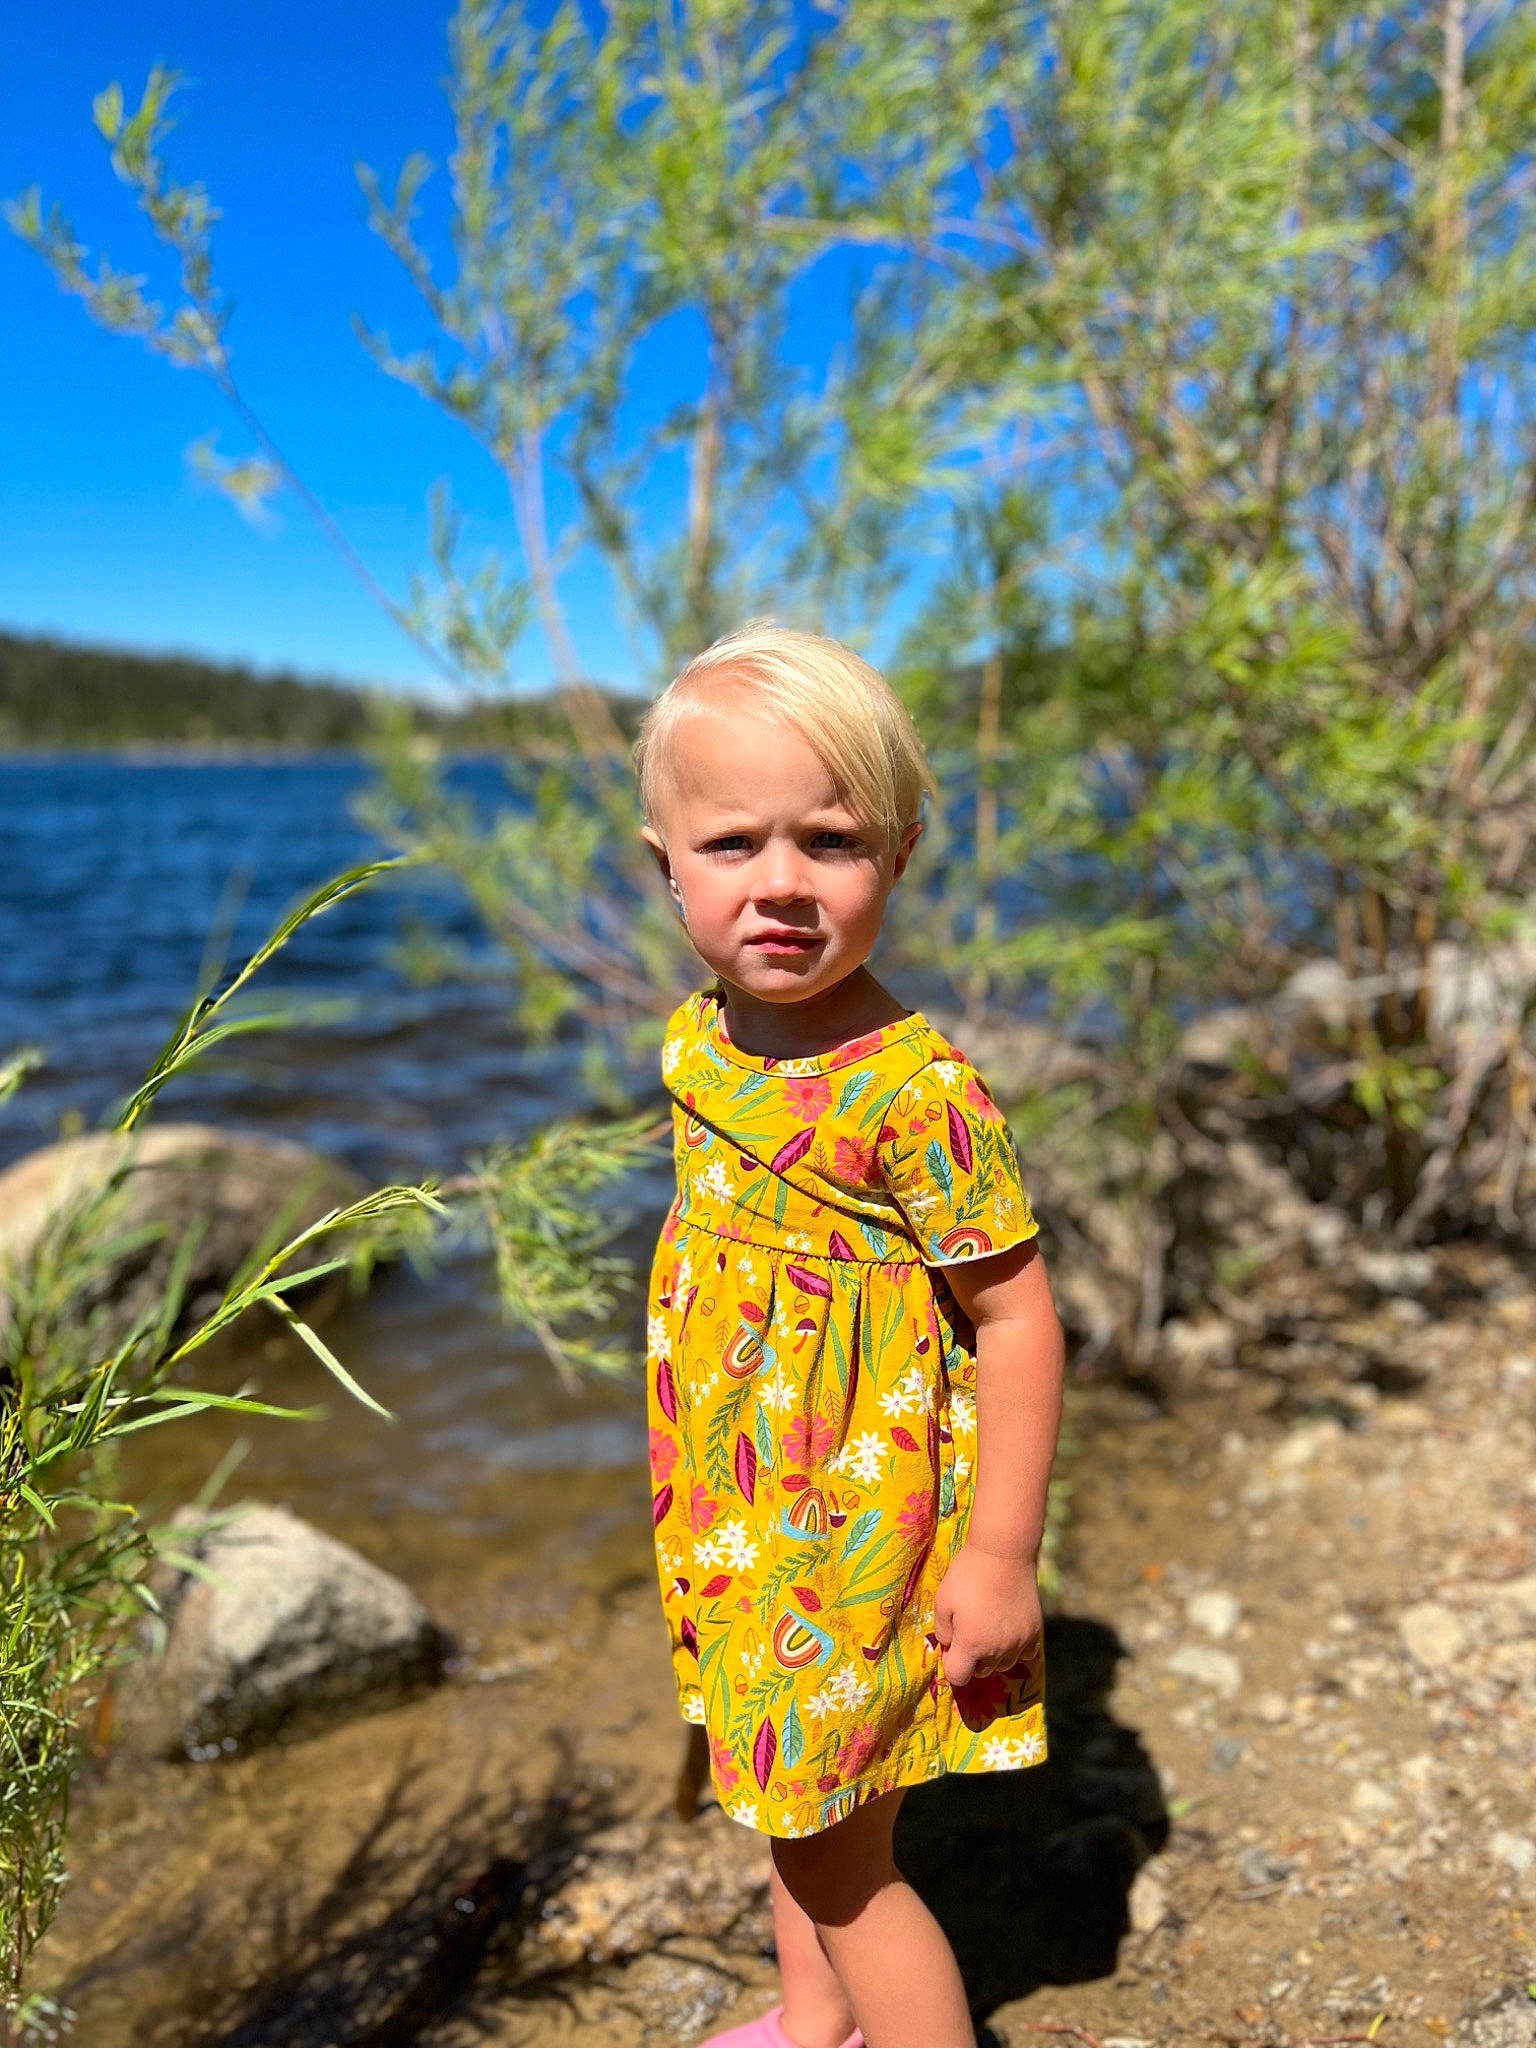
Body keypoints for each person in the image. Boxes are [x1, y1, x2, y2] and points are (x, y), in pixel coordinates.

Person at [636, 621, 1066, 2048]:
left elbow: (1016, 1324)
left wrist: (999, 1558)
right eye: (733, 845)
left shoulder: (917, 1094)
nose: (781, 885)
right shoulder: (704, 1039)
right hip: (741, 1499)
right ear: (665, 866)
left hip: (857, 1522)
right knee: (794, 1784)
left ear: (901, 853)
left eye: (830, 841)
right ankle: (812, 2020)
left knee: (838, 1855)